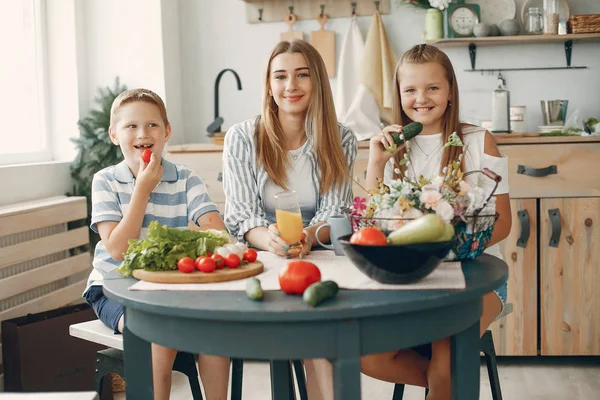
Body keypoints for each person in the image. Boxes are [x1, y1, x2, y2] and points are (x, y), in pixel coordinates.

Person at [361, 44, 512, 400]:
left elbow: (504, 224)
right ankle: (446, 386)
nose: (421, 98)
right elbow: (373, 226)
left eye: (432, 88)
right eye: (410, 89)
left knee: (446, 356)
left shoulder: (479, 141)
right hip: (414, 283)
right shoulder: (394, 147)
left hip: (475, 281)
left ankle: (445, 383)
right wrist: (375, 163)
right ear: (399, 95)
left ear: (450, 91)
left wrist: (448, 249)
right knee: (368, 354)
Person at [222, 40, 357, 399]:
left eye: (302, 75)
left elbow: (336, 211)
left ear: (317, 84)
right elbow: (240, 214)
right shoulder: (241, 138)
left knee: (323, 335)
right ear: (268, 85)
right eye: (280, 76)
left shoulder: (341, 137)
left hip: (320, 254)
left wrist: (307, 238)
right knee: (307, 332)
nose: (290, 86)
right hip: (263, 257)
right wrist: (272, 240)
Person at [82, 88, 230, 400]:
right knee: (157, 334)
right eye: (131, 126)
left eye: (152, 125)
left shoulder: (185, 178)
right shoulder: (105, 181)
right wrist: (143, 190)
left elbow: (216, 230)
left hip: (167, 289)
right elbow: (119, 251)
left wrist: (217, 238)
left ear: (167, 132)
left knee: (215, 336)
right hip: (114, 288)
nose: (143, 133)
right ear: (114, 134)